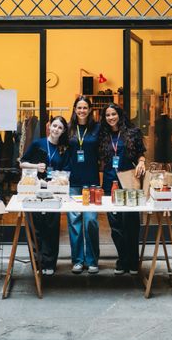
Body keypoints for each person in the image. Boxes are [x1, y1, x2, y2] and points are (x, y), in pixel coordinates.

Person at [98, 103, 146, 274]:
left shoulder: (132, 133)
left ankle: (133, 260)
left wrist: (141, 161)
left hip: (129, 181)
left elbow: (141, 152)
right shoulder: (103, 135)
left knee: (131, 222)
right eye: (107, 115)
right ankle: (122, 260)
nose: (111, 117)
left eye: (113, 114)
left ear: (119, 114)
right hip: (110, 182)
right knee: (115, 223)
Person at [19, 116, 69, 276]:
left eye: (60, 128)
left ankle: (50, 263)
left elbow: (65, 172)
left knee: (52, 228)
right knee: (35, 227)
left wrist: (57, 180)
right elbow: (21, 163)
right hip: (35, 190)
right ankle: (36, 263)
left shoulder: (63, 148)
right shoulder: (38, 143)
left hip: (54, 192)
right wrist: (36, 166)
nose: (56, 130)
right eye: (54, 126)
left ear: (63, 131)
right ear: (49, 126)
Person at [65, 96, 101, 274]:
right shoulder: (69, 129)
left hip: (92, 181)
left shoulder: (97, 128)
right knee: (74, 222)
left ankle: (92, 260)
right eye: (79, 107)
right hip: (73, 182)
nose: (82, 111)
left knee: (91, 221)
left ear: (90, 110)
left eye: (85, 107)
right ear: (74, 109)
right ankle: (78, 260)